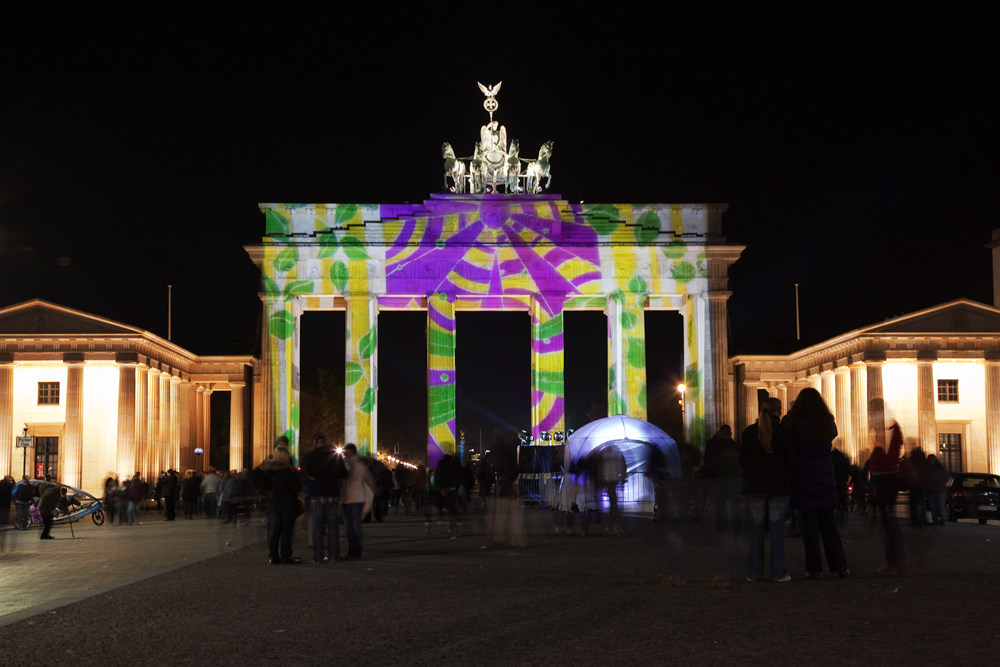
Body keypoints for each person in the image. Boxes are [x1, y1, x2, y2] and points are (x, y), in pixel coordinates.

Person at [786, 387, 849, 580]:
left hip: (804, 475)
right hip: (824, 474)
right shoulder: (826, 423)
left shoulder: (795, 423)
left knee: (810, 527)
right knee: (829, 526)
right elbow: (832, 435)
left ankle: (814, 569)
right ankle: (840, 567)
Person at [740, 396, 797, 582]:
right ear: (777, 412)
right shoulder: (782, 433)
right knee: (777, 532)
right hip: (779, 487)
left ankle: (754, 573)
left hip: (755, 487)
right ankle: (778, 572)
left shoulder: (749, 433)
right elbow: (792, 461)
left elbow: (742, 460)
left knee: (755, 532)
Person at [869, 401, 905, 574]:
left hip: (886, 481)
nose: (869, 415)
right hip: (886, 479)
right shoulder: (890, 428)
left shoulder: (889, 429)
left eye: (871, 412)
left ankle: (893, 562)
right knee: (888, 523)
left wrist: (875, 462)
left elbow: (889, 458)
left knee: (889, 524)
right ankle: (894, 560)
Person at [300, 434, 347, 564]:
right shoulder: (334, 456)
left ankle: (318, 556)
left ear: (316, 443)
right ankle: (333, 556)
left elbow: (304, 472)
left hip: (318, 494)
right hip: (332, 493)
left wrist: (312, 478)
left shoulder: (310, 456)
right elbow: (343, 473)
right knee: (333, 526)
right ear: (325, 443)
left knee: (317, 527)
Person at [263, 445, 302, 564]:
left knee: (276, 532)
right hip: (288, 503)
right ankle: (285, 556)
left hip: (276, 503)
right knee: (286, 532)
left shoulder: (270, 471)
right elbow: (295, 487)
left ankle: (273, 556)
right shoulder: (286, 471)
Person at [704, 425, 742, 535]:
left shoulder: (714, 447)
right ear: (730, 433)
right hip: (732, 480)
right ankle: (737, 529)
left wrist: (715, 438)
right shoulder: (736, 446)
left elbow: (708, 459)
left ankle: (721, 529)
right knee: (735, 506)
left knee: (720, 506)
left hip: (719, 479)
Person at [341, 444, 375, 560]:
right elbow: (369, 479)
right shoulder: (349, 463)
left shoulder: (355, 464)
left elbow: (368, 479)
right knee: (353, 526)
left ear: (350, 452)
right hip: (355, 497)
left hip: (351, 498)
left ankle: (354, 549)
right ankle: (355, 549)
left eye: (346, 451)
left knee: (352, 526)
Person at [925, 454, 948, 526]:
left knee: (939, 506)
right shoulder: (938, 467)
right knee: (934, 507)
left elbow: (945, 477)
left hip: (938, 490)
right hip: (933, 490)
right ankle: (936, 520)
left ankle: (941, 520)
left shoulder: (936, 468)